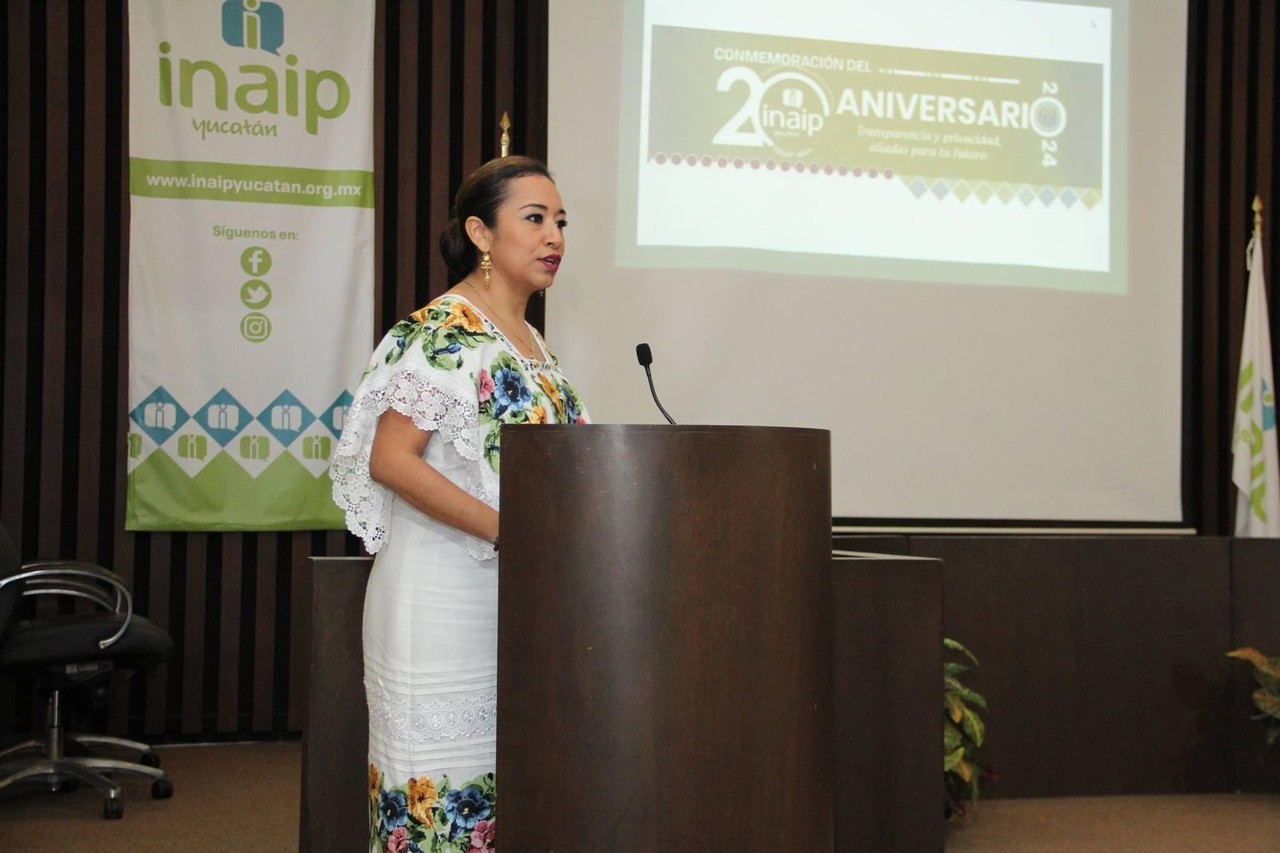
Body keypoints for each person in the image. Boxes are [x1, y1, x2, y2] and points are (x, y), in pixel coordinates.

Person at [330, 155, 589, 852]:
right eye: (533, 219)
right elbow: (391, 460)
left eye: (560, 221)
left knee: (502, 799)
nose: (553, 236)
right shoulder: (442, 331)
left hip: (511, 606)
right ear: (480, 231)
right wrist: (515, 532)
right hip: (438, 603)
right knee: (435, 803)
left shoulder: (535, 346)